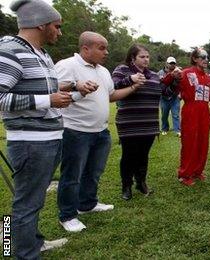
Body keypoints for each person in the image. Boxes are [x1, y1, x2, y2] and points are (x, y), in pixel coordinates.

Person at [0, 0, 71, 257]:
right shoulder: (9, 51)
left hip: (48, 137)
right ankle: (19, 252)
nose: (59, 32)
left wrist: (65, 89)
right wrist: (48, 100)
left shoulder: (40, 52)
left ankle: (33, 242)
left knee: (33, 200)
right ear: (41, 25)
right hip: (30, 141)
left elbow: (35, 87)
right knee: (25, 204)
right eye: (57, 26)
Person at [54, 32, 140, 232]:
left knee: (94, 172)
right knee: (72, 175)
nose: (106, 52)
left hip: (101, 131)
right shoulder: (67, 66)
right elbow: (56, 96)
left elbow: (110, 95)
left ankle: (87, 204)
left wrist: (133, 87)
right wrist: (79, 91)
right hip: (75, 131)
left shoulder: (103, 71)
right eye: (101, 48)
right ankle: (67, 215)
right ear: (85, 48)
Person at [175, 48, 210, 186]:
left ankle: (197, 171)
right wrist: (173, 75)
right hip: (190, 112)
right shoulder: (185, 73)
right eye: (203, 57)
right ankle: (184, 174)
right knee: (189, 144)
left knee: (203, 143)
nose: (206, 59)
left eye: (207, 57)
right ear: (195, 58)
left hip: (204, 114)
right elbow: (172, 86)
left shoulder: (208, 78)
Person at [112, 44, 161, 200]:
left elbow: (165, 92)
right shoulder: (122, 70)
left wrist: (173, 81)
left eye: (147, 57)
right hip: (129, 123)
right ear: (133, 58)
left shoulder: (153, 75)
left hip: (149, 123)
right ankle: (126, 186)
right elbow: (111, 87)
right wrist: (130, 80)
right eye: (142, 57)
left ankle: (141, 183)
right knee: (128, 156)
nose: (146, 60)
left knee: (143, 155)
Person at [158, 56, 182, 137]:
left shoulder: (179, 72)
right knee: (164, 115)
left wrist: (180, 94)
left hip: (175, 97)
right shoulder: (160, 73)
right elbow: (160, 84)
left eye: (173, 63)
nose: (172, 65)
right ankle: (164, 129)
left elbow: (181, 84)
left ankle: (177, 130)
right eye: (170, 63)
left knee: (175, 114)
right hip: (164, 97)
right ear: (166, 63)